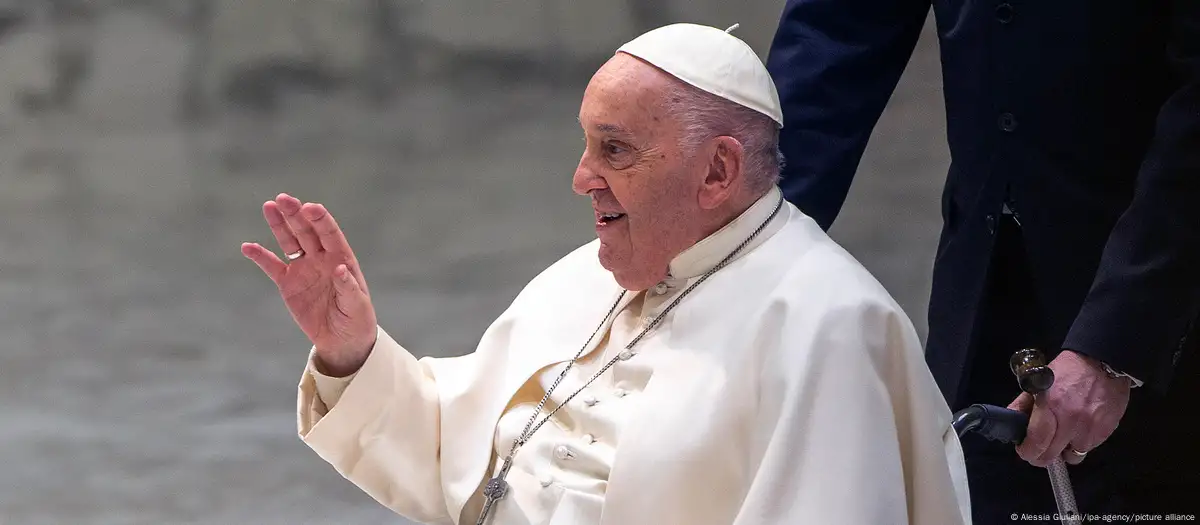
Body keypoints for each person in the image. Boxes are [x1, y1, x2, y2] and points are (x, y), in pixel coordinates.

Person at [241, 23, 971, 525]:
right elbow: (451, 452)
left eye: (614, 149)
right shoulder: (590, 272)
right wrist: (352, 349)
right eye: (586, 144)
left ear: (716, 169)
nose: (580, 178)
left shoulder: (830, 326)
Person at [766, 1, 1199, 522]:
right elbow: (835, 30)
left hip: (1163, 301)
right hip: (986, 285)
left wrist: (1115, 347)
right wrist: (739, 234)